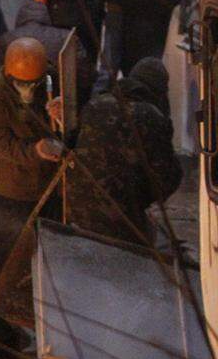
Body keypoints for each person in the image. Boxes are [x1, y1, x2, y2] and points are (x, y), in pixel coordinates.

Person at [65, 57, 182, 246]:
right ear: (160, 91)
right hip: (123, 217)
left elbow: (70, 145)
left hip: (76, 209)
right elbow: (167, 177)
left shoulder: (96, 103)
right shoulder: (151, 116)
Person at [0, 37, 62, 279]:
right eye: (21, 83)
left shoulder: (49, 78)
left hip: (48, 182)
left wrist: (61, 113)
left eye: (34, 83)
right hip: (14, 188)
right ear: (8, 72)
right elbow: (2, 145)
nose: (28, 89)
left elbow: (63, 124)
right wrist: (35, 151)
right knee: (11, 253)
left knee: (49, 250)